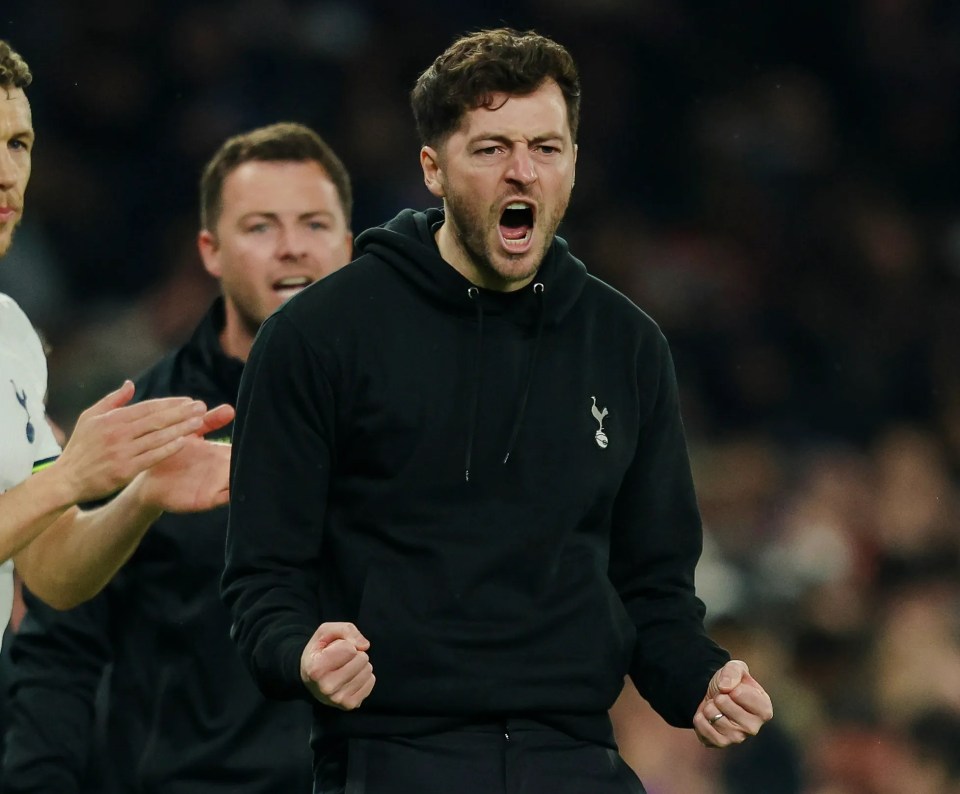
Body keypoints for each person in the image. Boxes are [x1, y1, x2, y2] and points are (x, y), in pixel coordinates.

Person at [221, 27, 774, 794]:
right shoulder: (317, 337)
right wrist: (300, 653)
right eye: (491, 148)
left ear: (573, 161)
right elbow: (263, 582)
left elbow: (654, 594)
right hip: (395, 755)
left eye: (546, 148)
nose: (523, 170)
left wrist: (701, 680)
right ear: (433, 168)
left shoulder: (627, 346)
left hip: (576, 756)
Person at [3, 121, 355, 792]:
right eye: (260, 227)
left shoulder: (414, 407)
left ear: (349, 245)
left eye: (314, 224)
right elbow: (60, 648)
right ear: (210, 251)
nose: (291, 248)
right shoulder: (140, 427)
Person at [0, 38, 233, 626]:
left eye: (18, 144)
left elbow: (51, 571)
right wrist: (70, 477)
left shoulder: (12, 333)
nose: (7, 175)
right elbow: (57, 491)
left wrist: (142, 495)